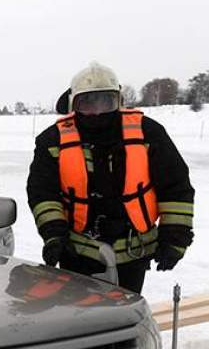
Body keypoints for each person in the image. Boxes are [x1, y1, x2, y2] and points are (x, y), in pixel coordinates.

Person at [27, 62, 195, 293]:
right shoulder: (52, 140)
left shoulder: (148, 132)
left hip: (133, 253)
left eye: (105, 102)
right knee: (79, 318)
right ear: (73, 103)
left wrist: (175, 237)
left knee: (122, 317)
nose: (96, 112)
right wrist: (54, 234)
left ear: (119, 101)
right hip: (77, 252)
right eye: (87, 103)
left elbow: (176, 187)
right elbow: (42, 192)